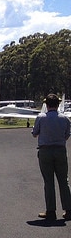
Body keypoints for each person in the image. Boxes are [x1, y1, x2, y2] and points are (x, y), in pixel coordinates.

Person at [31, 93, 71, 221]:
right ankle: (68, 209)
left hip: (45, 151)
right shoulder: (65, 119)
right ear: (58, 105)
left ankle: (51, 211)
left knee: (49, 182)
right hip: (60, 150)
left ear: (46, 105)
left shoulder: (41, 117)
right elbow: (66, 135)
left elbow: (34, 133)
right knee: (64, 181)